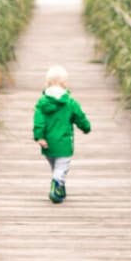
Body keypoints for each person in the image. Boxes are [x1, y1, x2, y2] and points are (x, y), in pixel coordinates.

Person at [31, 64, 91, 204]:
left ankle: (60, 187)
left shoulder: (41, 102)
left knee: (56, 167)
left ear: (47, 83)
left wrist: (39, 136)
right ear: (64, 83)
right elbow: (80, 117)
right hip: (64, 143)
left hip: (48, 144)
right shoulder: (70, 102)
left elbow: (38, 121)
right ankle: (56, 186)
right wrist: (86, 127)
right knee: (61, 168)